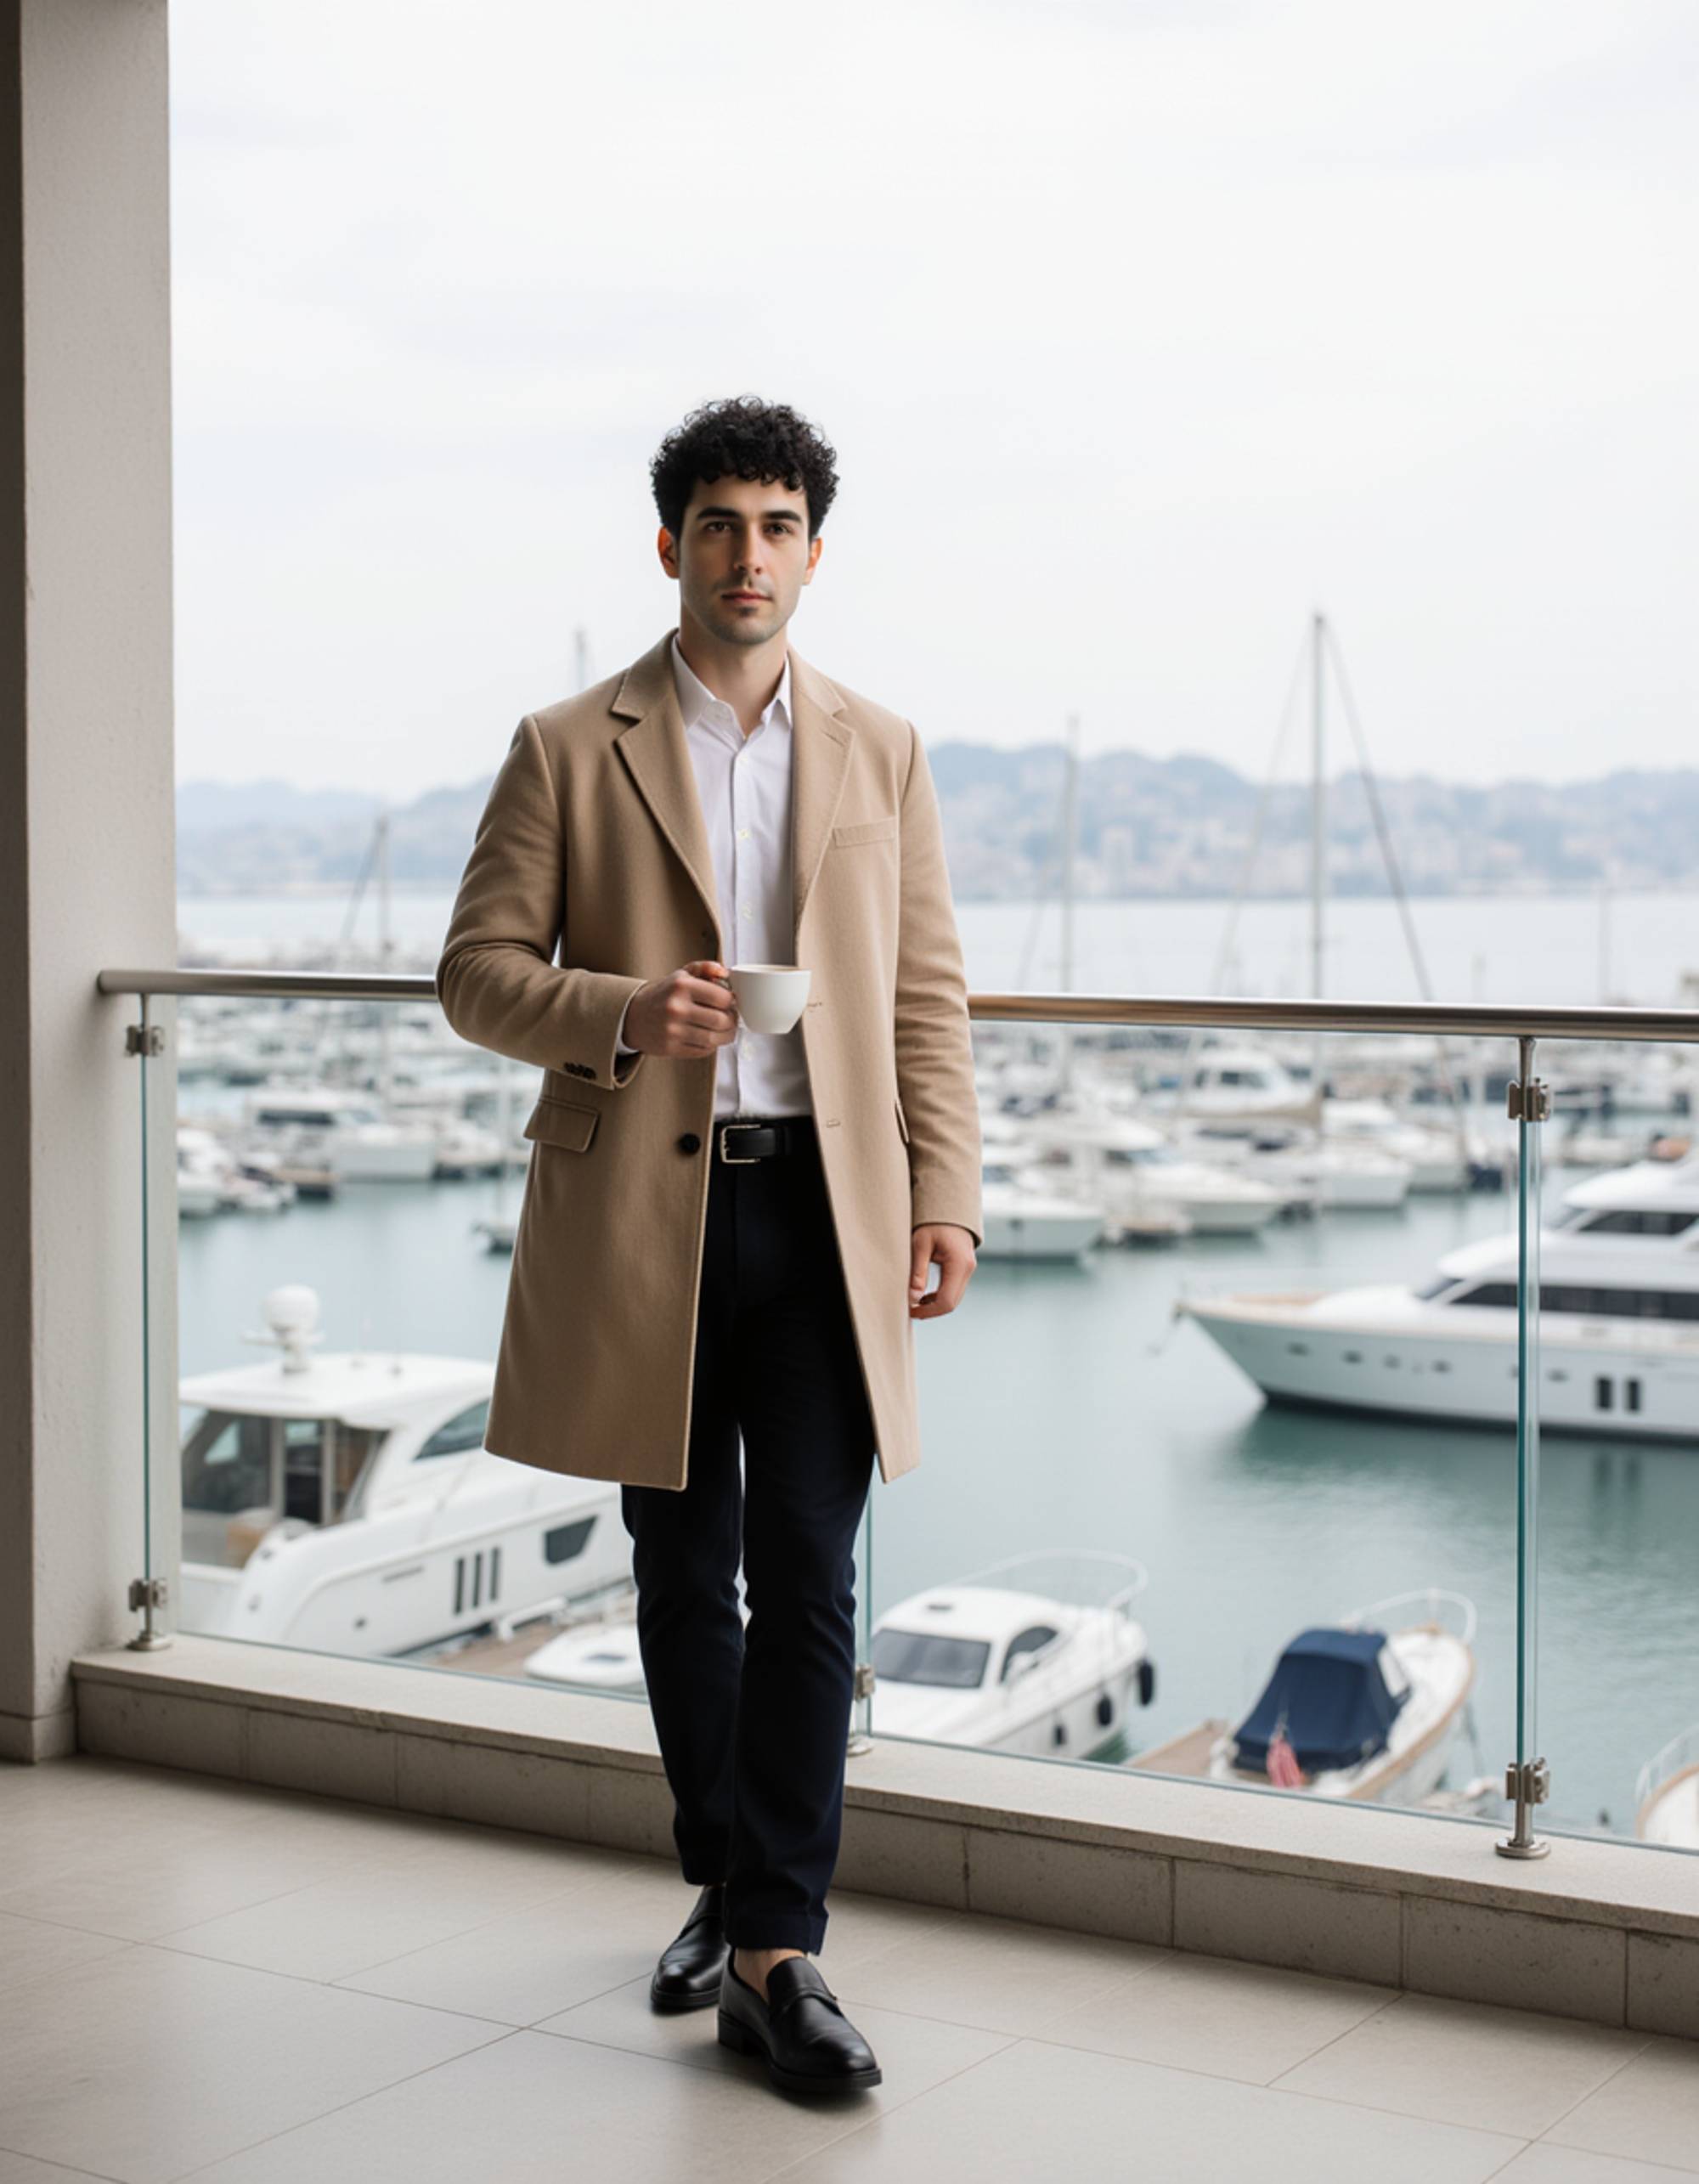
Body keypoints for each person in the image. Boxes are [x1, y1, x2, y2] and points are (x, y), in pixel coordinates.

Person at [435, 394, 983, 2097]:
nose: (751, 554)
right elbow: (475, 973)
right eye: (721, 523)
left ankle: (773, 1943)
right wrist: (624, 1011)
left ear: (815, 551)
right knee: (686, 1571)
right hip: (647, 1223)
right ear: (667, 543)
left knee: (814, 1576)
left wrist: (946, 1190)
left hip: (829, 1211)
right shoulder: (563, 744)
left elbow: (925, 996)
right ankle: (722, 1874)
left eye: (780, 524)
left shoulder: (881, 746)